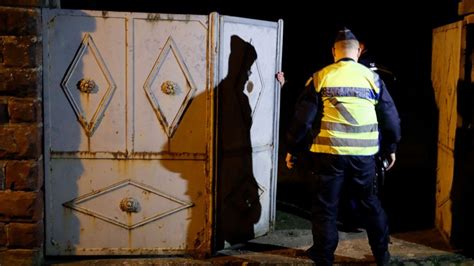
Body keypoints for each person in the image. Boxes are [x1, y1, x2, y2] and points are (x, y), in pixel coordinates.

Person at [284, 27, 401, 266]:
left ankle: (323, 257)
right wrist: (390, 148)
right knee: (370, 204)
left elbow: (302, 120)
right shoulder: (373, 78)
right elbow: (391, 118)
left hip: (329, 155)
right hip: (364, 157)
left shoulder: (321, 76)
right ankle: (382, 256)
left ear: (333, 52)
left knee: (326, 208)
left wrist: (293, 149)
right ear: (358, 51)